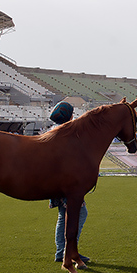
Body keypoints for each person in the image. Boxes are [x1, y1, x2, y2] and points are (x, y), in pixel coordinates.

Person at [48, 101, 91, 264]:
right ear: (69, 115)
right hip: (66, 183)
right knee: (79, 214)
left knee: (62, 216)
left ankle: (62, 252)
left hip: (55, 183)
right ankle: (70, 251)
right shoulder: (66, 133)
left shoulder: (53, 131)